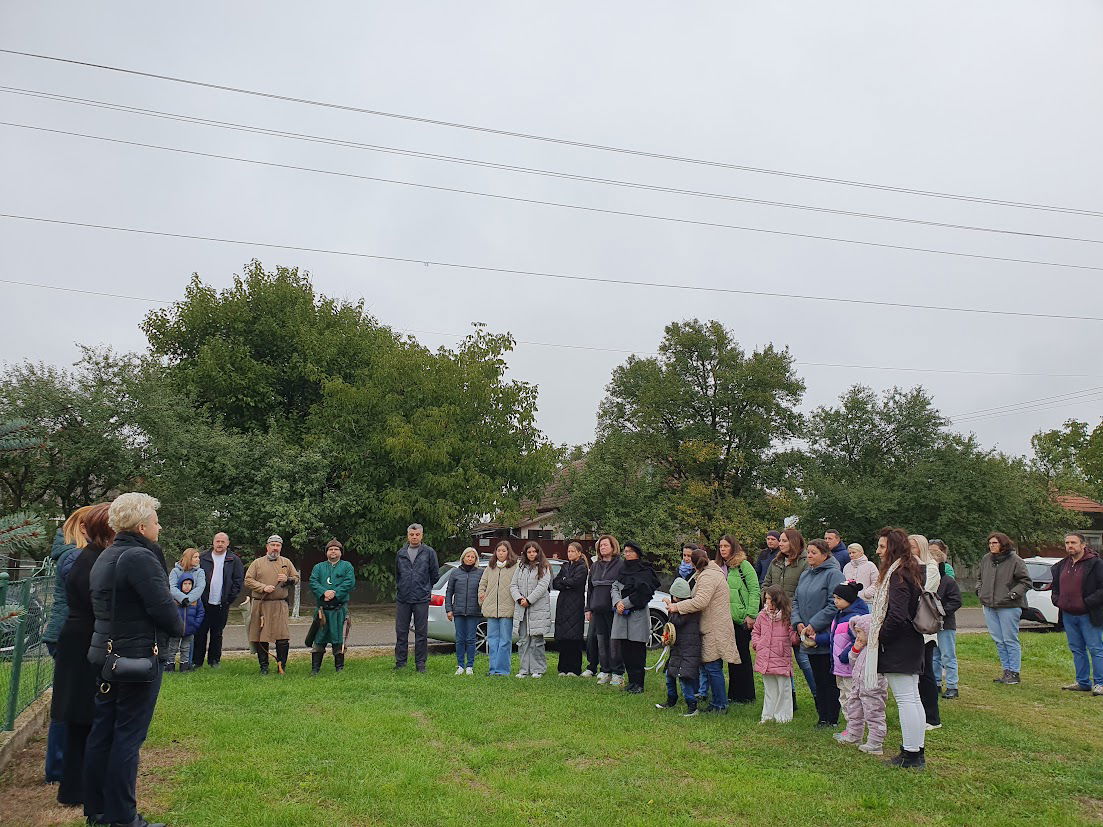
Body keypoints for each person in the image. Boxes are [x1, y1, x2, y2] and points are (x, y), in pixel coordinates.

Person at [84, 493, 182, 827]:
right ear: (142, 526)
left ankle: (98, 811)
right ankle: (124, 818)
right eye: (155, 520)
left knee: (104, 733)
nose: (159, 526)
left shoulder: (107, 555)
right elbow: (163, 608)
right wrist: (180, 624)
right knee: (127, 737)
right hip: (135, 660)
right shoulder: (140, 557)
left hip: (106, 655)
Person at [50, 504, 111, 808]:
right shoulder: (81, 557)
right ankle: (75, 786)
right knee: (82, 716)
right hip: (82, 642)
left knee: (77, 716)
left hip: (77, 640)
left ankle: (70, 785)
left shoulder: (79, 555)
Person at [865, 527, 927, 770]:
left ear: (892, 549)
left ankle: (912, 753)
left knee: (906, 699)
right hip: (910, 640)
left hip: (900, 642)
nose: (878, 551)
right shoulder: (907, 570)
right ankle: (915, 749)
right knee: (912, 696)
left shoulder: (898, 575)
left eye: (882, 547)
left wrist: (881, 637)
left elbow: (898, 615)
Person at [43, 505, 93, 787]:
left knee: (67, 701)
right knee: (67, 704)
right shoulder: (74, 555)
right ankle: (59, 767)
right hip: (67, 635)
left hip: (64, 633)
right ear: (84, 528)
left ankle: (61, 765)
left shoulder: (70, 553)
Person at [665, 548, 739, 714]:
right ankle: (716, 702)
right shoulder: (710, 573)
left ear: (695, 563)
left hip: (714, 627)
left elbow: (700, 602)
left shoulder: (708, 576)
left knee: (713, 667)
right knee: (711, 666)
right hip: (713, 625)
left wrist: (676, 606)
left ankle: (720, 705)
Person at [793, 539, 846, 728]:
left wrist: (814, 624)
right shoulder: (806, 574)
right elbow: (796, 601)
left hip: (825, 635)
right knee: (817, 676)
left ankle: (831, 717)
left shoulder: (834, 574)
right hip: (807, 634)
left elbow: (835, 604)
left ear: (825, 555)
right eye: (808, 552)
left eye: (814, 552)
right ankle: (821, 715)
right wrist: (798, 622)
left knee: (828, 678)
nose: (809, 556)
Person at [763, 528, 815, 705]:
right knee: (782, 658)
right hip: (775, 617)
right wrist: (769, 601)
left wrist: (790, 608)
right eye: (781, 540)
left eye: (784, 540)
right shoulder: (776, 562)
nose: (780, 543)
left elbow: (805, 590)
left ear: (793, 542)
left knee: (803, 658)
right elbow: (767, 583)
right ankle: (789, 698)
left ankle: (819, 696)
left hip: (796, 616)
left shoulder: (804, 562)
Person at [1050, 532, 1103, 695]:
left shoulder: (1095, 564)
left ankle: (1100, 683)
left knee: (1096, 649)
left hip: (1088, 614)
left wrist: (1086, 603)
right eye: (1067, 543)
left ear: (1083, 545)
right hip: (1068, 614)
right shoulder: (1061, 565)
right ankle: (1083, 682)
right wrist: (1057, 600)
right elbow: (1056, 587)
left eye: (1073, 542)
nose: (1070, 546)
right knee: (1077, 649)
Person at [977, 531, 1032, 685]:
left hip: (1009, 605)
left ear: (1003, 544)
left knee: (1009, 639)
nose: (991, 546)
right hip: (989, 604)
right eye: (990, 543)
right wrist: (979, 591)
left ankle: (1014, 672)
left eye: (995, 543)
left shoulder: (1015, 560)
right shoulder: (986, 559)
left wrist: (1013, 594)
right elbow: (980, 578)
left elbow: (1026, 582)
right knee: (998, 640)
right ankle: (1006, 670)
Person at [244, 535, 300, 675]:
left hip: (280, 605)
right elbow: (248, 580)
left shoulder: (286, 562)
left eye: (278, 545)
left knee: (282, 638)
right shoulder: (257, 563)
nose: (275, 548)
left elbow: (297, 579)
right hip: (261, 606)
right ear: (267, 546)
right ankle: (264, 667)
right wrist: (263, 587)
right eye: (273, 545)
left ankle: (281, 666)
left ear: (281, 547)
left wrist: (288, 579)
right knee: (261, 638)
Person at [834, 613, 889, 755]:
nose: (857, 635)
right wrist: (854, 651)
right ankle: (854, 734)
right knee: (854, 711)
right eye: (856, 632)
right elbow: (853, 663)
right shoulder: (862, 648)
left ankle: (875, 742)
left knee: (874, 714)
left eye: (860, 632)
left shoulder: (877, 650)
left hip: (872, 688)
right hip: (857, 687)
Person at [815, 581, 869, 721]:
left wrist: (844, 656)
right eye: (834, 598)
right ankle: (850, 726)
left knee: (852, 698)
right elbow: (835, 637)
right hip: (840, 667)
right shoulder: (840, 615)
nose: (835, 601)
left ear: (849, 599)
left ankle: (856, 727)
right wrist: (817, 639)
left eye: (839, 598)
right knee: (844, 697)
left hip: (850, 667)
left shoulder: (855, 619)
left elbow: (857, 641)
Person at [611, 540, 660, 693]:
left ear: (637, 553)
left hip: (637, 615)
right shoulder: (622, 569)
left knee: (637, 651)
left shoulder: (645, 571)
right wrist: (617, 602)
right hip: (622, 616)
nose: (627, 554)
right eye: (625, 551)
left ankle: (639, 683)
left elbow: (644, 593)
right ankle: (631, 682)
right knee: (625, 650)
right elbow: (614, 587)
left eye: (630, 551)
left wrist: (624, 603)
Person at [394, 523, 440, 673]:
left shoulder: (429, 552)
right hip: (403, 598)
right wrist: (402, 586)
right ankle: (400, 663)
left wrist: (425, 587)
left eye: (417, 535)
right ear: (408, 536)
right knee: (401, 632)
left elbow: (434, 575)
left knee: (421, 633)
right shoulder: (401, 553)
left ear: (422, 535)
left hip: (421, 598)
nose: (414, 537)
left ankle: (420, 664)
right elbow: (397, 574)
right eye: (412, 535)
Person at [752, 585, 801, 724]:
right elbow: (756, 631)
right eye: (766, 599)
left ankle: (783, 717)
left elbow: (792, 635)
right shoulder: (762, 615)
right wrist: (757, 643)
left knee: (783, 689)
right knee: (769, 688)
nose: (767, 602)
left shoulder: (787, 616)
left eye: (770, 599)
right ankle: (767, 715)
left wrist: (798, 636)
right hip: (765, 656)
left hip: (781, 656)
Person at [195, 532, 244, 669]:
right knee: (200, 632)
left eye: (223, 542)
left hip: (222, 604)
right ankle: (197, 661)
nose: (220, 544)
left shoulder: (233, 560)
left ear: (227, 544)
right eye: (217, 541)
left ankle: (214, 660)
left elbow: (238, 581)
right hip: (203, 603)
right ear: (213, 542)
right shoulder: (203, 557)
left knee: (217, 634)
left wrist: (229, 598)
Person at [720, 536, 759, 704]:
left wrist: (751, 614)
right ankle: (734, 693)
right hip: (726, 619)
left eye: (726, 546)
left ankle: (747, 694)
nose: (722, 549)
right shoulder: (720, 567)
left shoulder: (744, 565)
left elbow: (754, 590)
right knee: (731, 657)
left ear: (733, 547)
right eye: (720, 546)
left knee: (743, 656)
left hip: (741, 618)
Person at [908, 534, 942, 730]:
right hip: (911, 626)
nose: (910, 551)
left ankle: (932, 716)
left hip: (924, 626)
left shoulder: (930, 568)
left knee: (925, 671)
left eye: (913, 547)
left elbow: (921, 593)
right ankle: (919, 711)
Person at [655, 577, 702, 716]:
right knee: (670, 674)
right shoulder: (681, 607)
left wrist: (670, 607)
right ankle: (671, 700)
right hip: (679, 648)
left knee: (684, 678)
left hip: (687, 649)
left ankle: (692, 706)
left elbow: (676, 621)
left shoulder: (688, 608)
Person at [308, 539, 356, 675]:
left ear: (340, 552)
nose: (333, 551)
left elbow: (349, 582)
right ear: (326, 552)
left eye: (336, 549)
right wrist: (324, 592)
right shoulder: (318, 567)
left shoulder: (347, 566)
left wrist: (335, 593)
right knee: (319, 638)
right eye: (330, 549)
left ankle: (339, 668)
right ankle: (315, 669)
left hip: (339, 610)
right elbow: (313, 581)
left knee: (338, 639)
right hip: (322, 611)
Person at [586, 534, 624, 686]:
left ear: (613, 546)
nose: (602, 548)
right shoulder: (595, 566)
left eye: (605, 545)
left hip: (614, 610)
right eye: (600, 546)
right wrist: (588, 608)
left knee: (615, 642)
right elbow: (590, 589)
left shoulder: (621, 565)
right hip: (597, 610)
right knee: (601, 641)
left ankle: (618, 673)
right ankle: (605, 671)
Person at [511, 540, 552, 678]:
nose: (532, 554)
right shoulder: (520, 567)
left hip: (537, 610)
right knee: (523, 641)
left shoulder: (544, 567)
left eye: (534, 551)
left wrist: (529, 600)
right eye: (529, 552)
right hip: (522, 610)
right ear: (525, 553)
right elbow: (513, 585)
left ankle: (538, 669)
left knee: (537, 642)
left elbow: (542, 586)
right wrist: (519, 599)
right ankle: (524, 670)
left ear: (538, 552)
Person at [479, 540, 517, 676]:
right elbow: (482, 584)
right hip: (491, 609)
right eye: (499, 550)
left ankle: (503, 670)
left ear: (508, 552)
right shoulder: (490, 567)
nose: (501, 553)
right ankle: (493, 669)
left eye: (504, 551)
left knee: (505, 641)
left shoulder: (515, 567)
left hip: (507, 609)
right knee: (492, 640)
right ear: (495, 552)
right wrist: (481, 596)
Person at [552, 541, 589, 676]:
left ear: (579, 553)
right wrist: (565, 581)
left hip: (575, 604)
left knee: (574, 638)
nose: (570, 553)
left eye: (573, 551)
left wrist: (565, 581)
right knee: (564, 638)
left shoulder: (582, 567)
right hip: (563, 604)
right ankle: (563, 668)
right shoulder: (565, 566)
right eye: (568, 551)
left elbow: (575, 582)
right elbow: (555, 583)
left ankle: (574, 669)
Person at [445, 547, 483, 675]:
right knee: (460, 639)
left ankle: (470, 666)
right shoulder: (455, 573)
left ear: (475, 559)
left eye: (473, 557)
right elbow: (449, 592)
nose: (470, 559)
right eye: (468, 556)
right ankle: (460, 665)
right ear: (463, 557)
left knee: (471, 639)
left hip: (474, 611)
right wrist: (449, 609)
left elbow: (484, 591)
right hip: (459, 611)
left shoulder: (480, 573)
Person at [167, 548, 206, 672]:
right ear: (188, 558)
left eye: (198, 557)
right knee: (173, 644)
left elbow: (200, 587)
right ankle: (169, 664)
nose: (198, 559)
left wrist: (187, 600)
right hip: (177, 606)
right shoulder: (175, 571)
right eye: (195, 557)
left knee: (187, 644)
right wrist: (181, 598)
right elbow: (172, 587)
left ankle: (186, 665)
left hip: (192, 608)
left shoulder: (200, 572)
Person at [932, 559, 963, 699]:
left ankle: (952, 686)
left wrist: (942, 611)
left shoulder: (948, 581)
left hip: (946, 623)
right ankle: (936, 683)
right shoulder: (927, 580)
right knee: (934, 655)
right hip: (929, 623)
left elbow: (956, 601)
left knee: (947, 655)